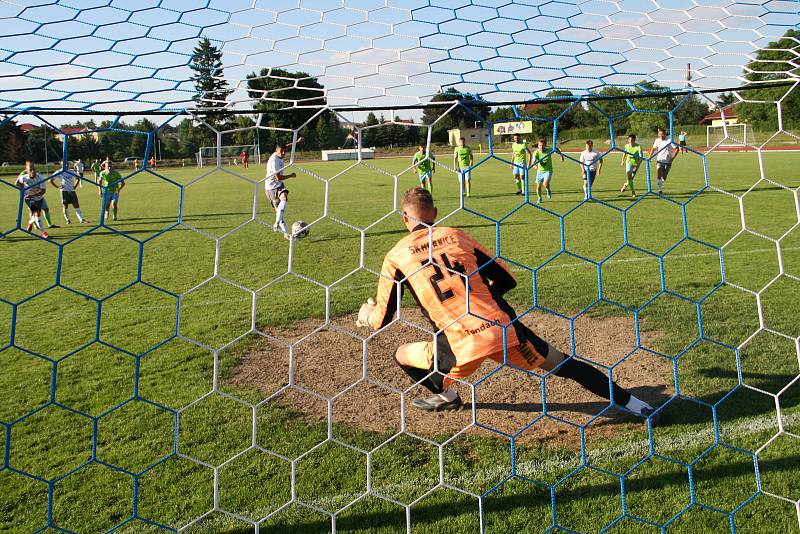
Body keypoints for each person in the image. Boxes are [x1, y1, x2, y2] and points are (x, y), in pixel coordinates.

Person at [356, 187, 657, 419]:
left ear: (405, 218)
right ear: (434, 212)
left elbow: (383, 318)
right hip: (502, 329)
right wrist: (484, 300)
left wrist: (366, 314)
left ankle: (446, 394)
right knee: (566, 365)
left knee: (401, 354)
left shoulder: (397, 255)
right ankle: (637, 404)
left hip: (458, 347)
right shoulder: (456, 236)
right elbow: (507, 280)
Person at [265, 138, 303, 238]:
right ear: (276, 151)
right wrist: (290, 175)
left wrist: (297, 142)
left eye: (284, 151)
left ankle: (277, 223)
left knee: (284, 199)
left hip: (279, 185)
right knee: (278, 211)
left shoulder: (281, 152)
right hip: (271, 187)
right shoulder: (273, 161)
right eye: (281, 151)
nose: (283, 153)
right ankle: (286, 234)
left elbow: (286, 146)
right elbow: (278, 177)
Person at [16, 161, 50, 238]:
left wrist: (33, 195)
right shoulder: (24, 177)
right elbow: (18, 184)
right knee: (37, 213)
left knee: (36, 214)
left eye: (34, 170)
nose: (33, 173)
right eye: (31, 170)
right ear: (28, 171)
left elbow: (43, 191)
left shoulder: (41, 178)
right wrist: (23, 192)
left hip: (39, 198)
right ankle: (43, 232)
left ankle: (30, 222)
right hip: (28, 199)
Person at [532, 137, 564, 204]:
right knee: (538, 187)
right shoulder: (536, 152)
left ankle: (548, 190)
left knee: (545, 184)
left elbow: (557, 149)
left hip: (548, 170)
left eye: (543, 145)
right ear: (538, 146)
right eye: (540, 145)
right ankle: (539, 198)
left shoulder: (549, 150)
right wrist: (535, 166)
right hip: (540, 171)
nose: (541, 147)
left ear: (545, 145)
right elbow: (533, 161)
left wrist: (561, 156)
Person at [650, 127, 679, 194]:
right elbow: (653, 149)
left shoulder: (669, 140)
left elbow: (677, 149)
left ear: (665, 134)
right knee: (659, 172)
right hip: (659, 160)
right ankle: (660, 189)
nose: (661, 136)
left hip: (668, 161)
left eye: (662, 134)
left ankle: (662, 180)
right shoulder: (657, 140)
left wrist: (672, 158)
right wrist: (650, 157)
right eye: (659, 134)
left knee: (664, 177)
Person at [510, 133, 531, 197]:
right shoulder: (513, 144)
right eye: (515, 138)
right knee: (515, 176)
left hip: (522, 163)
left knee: (522, 177)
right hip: (515, 163)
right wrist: (511, 163)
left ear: (520, 137)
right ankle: (519, 190)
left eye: (517, 138)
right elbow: (513, 154)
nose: (516, 139)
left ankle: (523, 191)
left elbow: (529, 154)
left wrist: (528, 163)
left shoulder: (523, 145)